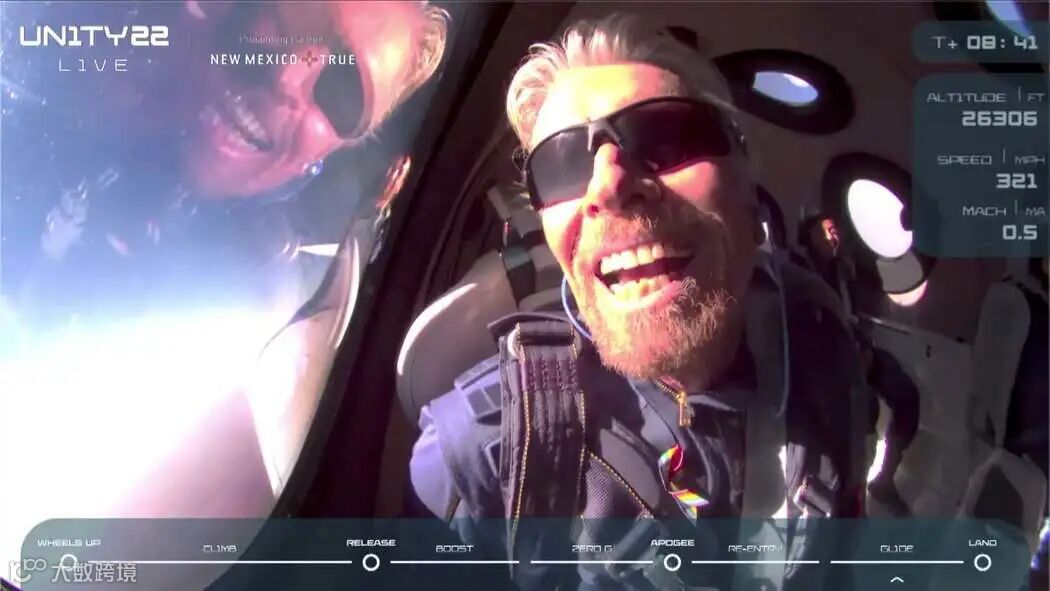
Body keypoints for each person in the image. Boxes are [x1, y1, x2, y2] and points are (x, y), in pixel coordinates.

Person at [409, 15, 870, 590]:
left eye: (665, 139)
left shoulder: (822, 338)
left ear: (748, 186)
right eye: (561, 166)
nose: (607, 187)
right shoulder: (478, 454)